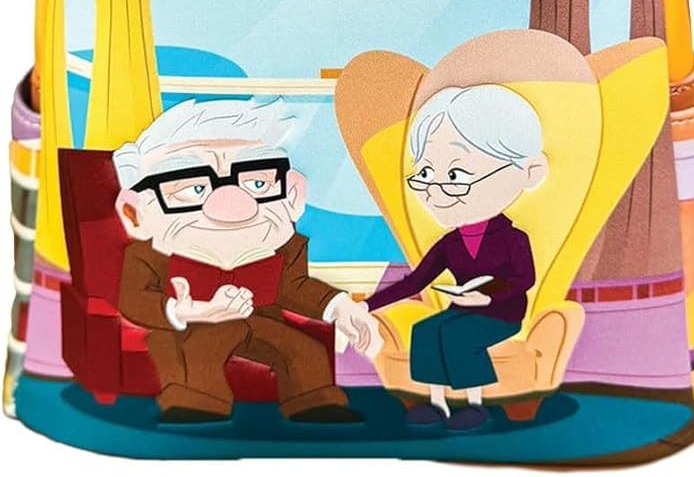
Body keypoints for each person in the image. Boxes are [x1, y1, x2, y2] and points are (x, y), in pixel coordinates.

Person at [112, 98, 381, 424]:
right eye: (193, 187)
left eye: (256, 183)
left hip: (259, 321)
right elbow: (135, 300)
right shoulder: (146, 257)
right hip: (189, 330)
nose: (233, 205)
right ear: (135, 212)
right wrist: (184, 311)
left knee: (304, 351)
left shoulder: (281, 248)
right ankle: (198, 406)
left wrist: (341, 307)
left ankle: (315, 404)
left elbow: (295, 287)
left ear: (293, 195)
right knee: (199, 353)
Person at [365, 84, 547, 431]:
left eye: (455, 176)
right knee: (426, 329)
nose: (436, 190)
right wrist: (368, 305)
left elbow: (525, 279)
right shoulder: (450, 243)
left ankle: (474, 405)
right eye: (425, 175)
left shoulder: (514, 238)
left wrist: (487, 295)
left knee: (457, 336)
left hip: (503, 313)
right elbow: (416, 281)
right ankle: (436, 404)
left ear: (528, 171)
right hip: (462, 309)